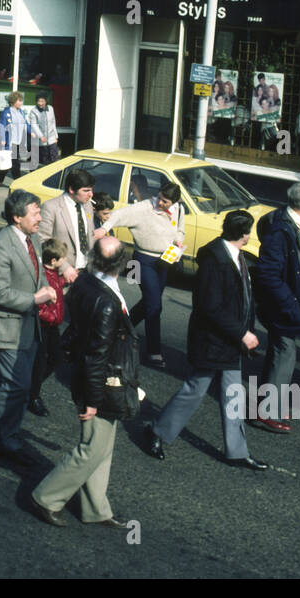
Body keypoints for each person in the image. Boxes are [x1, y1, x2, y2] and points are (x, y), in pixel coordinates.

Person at [147, 210, 269, 469]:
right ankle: (157, 432)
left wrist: (245, 331)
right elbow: (209, 306)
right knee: (194, 390)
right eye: (249, 231)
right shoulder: (216, 260)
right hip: (213, 340)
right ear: (244, 234)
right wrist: (242, 333)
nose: (250, 235)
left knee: (233, 394)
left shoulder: (234, 255)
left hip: (230, 342)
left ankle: (236, 451)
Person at [28, 235, 135, 529]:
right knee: (91, 448)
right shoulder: (106, 301)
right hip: (101, 381)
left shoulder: (86, 283)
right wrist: (92, 399)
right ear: (120, 264)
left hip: (96, 377)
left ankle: (95, 508)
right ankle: (45, 497)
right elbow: (96, 355)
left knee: (103, 448)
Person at [0, 189, 57, 465]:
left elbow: (39, 272)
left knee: (24, 383)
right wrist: (35, 298)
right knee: (18, 383)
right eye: (35, 213)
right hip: (5, 328)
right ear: (17, 217)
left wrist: (47, 288)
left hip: (28, 326)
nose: (40, 218)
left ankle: (8, 436)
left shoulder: (33, 240)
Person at [250, 181, 300, 433]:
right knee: (284, 354)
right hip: (283, 307)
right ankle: (266, 411)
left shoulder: (290, 222)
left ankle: (272, 402)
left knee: (280, 353)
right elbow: (268, 274)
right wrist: (289, 302)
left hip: (287, 304)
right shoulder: (282, 230)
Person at [93, 181, 187, 369]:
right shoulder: (144, 208)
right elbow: (118, 215)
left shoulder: (179, 209)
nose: (160, 203)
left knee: (149, 303)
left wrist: (178, 240)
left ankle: (121, 328)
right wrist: (104, 228)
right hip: (142, 261)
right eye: (160, 198)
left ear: (174, 203)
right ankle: (153, 351)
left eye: (165, 202)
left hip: (165, 260)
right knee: (154, 306)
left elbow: (180, 229)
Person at [28, 238, 70, 417]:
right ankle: (33, 395)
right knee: (40, 362)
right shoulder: (43, 277)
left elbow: (59, 286)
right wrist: (52, 316)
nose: (65, 262)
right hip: (44, 325)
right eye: (63, 259)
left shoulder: (54, 275)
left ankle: (30, 387)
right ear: (53, 261)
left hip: (53, 325)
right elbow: (40, 307)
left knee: (55, 358)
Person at [37, 168, 94, 285]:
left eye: (91, 190)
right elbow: (43, 241)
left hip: (87, 272)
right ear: (72, 189)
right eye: (86, 190)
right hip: (63, 275)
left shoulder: (87, 205)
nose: (91, 194)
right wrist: (64, 267)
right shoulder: (51, 207)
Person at [0, 92, 27, 186]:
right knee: (15, 164)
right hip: (10, 142)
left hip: (18, 141)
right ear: (13, 101)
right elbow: (1, 126)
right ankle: (19, 183)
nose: (21, 103)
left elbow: (26, 123)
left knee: (7, 164)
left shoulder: (21, 112)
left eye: (21, 100)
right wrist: (2, 139)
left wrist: (31, 132)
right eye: (19, 100)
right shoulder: (6, 112)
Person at [27, 93, 60, 166]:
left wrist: (56, 136)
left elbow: (53, 122)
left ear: (46, 101)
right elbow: (34, 125)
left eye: (42, 101)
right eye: (38, 101)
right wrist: (41, 136)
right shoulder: (34, 111)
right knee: (44, 160)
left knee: (54, 158)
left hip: (52, 139)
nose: (40, 103)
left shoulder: (51, 108)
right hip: (41, 141)